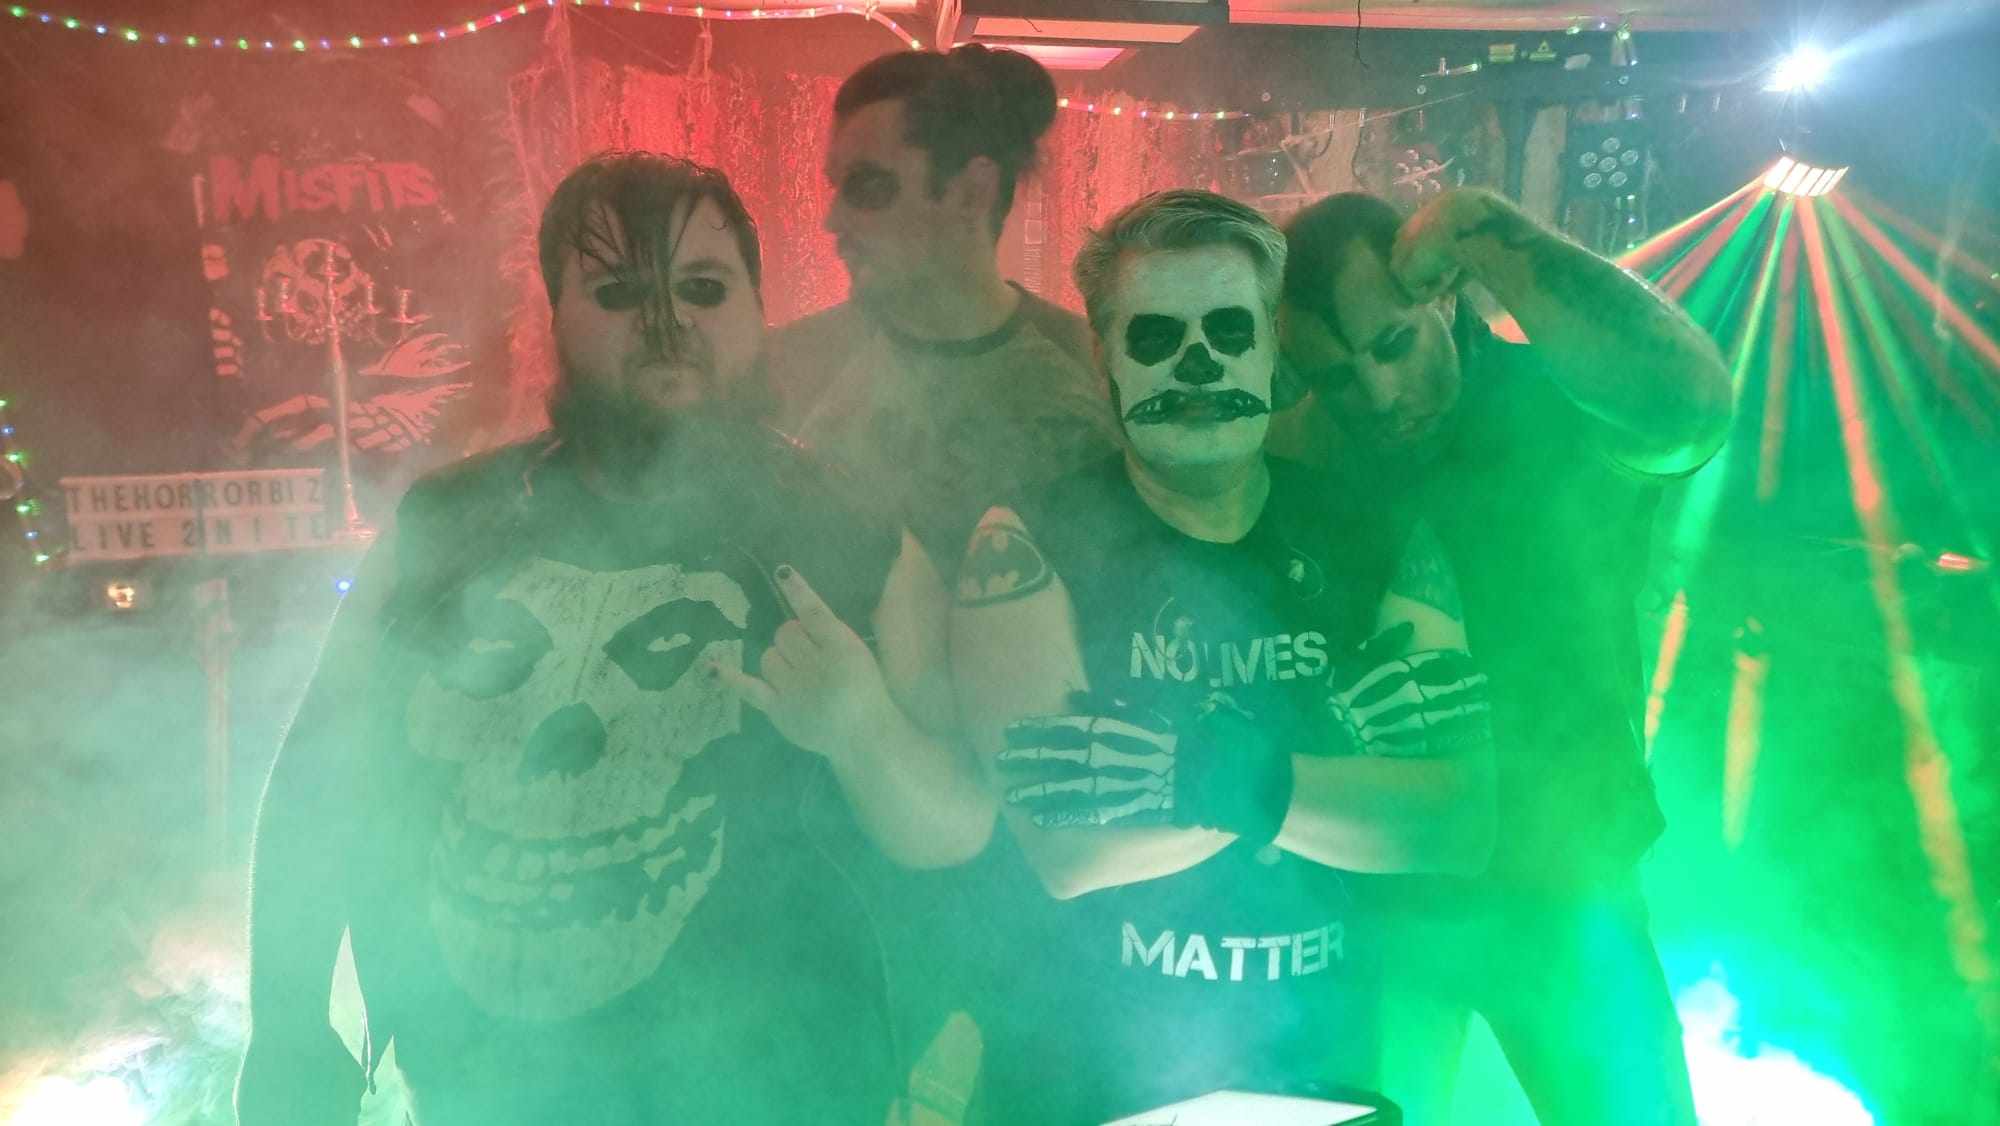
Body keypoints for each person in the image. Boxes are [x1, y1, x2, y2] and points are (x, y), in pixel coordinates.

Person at [234, 152, 990, 1126]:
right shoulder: (446, 522)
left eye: (703, 288)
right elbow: (319, 781)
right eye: (621, 293)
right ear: (555, 316)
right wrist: (286, 1022)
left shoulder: (858, 533)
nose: (667, 326)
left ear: (757, 310)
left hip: (785, 1089)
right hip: (486, 1094)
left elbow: (956, 832)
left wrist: (861, 726)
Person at [951, 189, 1498, 1122]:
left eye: (1229, 330)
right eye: (1157, 337)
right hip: (1079, 1079)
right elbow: (1071, 846)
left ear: (1271, 347)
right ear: (1104, 359)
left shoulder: (1376, 536)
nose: (1198, 364)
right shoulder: (1026, 541)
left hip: (1316, 1074)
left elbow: (1454, 824)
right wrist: (1329, 750)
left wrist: (1190, 773)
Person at [1275, 188, 1734, 1126]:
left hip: (1567, 882)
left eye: (1393, 345)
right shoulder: (1308, 447)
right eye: (1336, 376)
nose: (1378, 395)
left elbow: (1691, 407)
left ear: (1442, 297)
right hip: (1388, 891)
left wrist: (1483, 229)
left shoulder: (1555, 400)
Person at [767, 44, 1118, 566]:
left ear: (973, 193)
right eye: (837, 187)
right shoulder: (788, 367)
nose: (833, 221)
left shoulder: (1095, 368)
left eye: (868, 186)